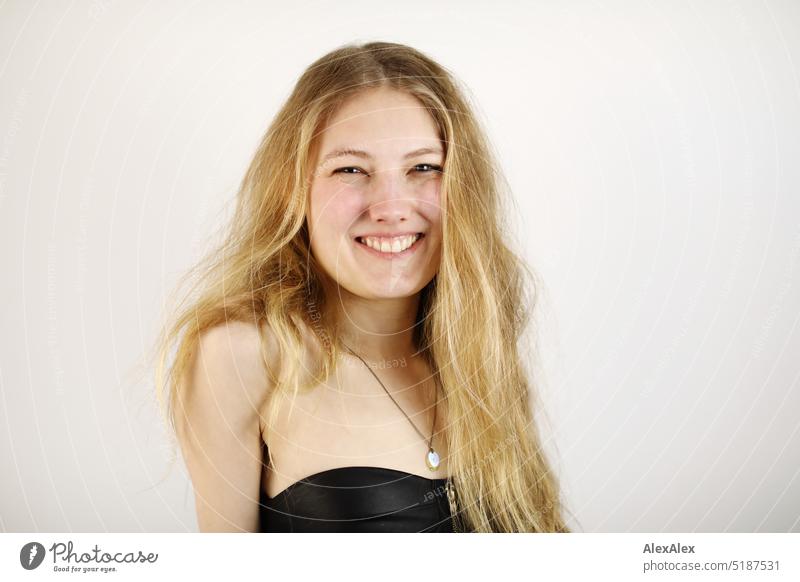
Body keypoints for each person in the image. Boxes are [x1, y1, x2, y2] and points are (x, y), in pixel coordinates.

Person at [153, 40, 571, 533]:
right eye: (351, 169)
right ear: (294, 189)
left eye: (423, 168)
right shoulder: (242, 355)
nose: (390, 207)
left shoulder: (478, 349)